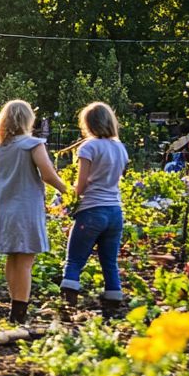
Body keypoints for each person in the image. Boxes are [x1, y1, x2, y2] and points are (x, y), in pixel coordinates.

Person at [0, 99, 67, 325]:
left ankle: (15, 308)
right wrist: (68, 192)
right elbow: (48, 174)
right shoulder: (32, 144)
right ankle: (19, 314)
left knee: (13, 259)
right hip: (25, 209)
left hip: (3, 209)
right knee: (25, 261)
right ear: (27, 119)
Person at [59, 102, 129, 319]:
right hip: (115, 211)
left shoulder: (88, 147)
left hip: (92, 210)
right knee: (109, 262)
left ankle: (68, 308)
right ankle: (112, 309)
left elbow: (81, 186)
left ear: (88, 124)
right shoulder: (120, 148)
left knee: (74, 261)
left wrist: (68, 196)